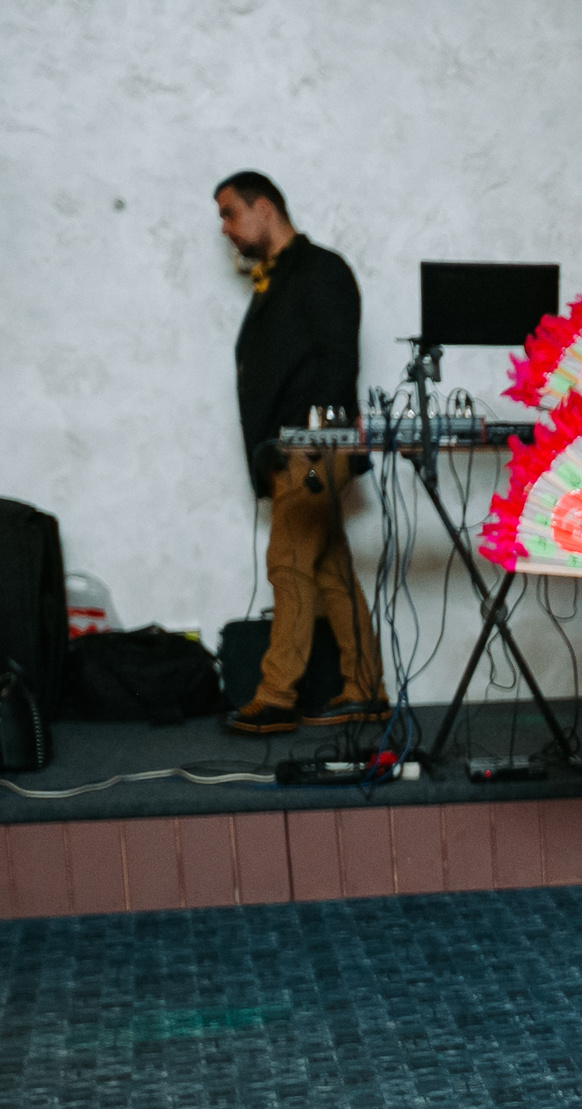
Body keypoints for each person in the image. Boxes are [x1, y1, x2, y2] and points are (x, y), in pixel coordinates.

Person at [215, 171, 385, 736]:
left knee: (287, 562)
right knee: (330, 568)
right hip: (287, 450)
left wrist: (316, 444)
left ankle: (277, 695)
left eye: (230, 213)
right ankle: (365, 691)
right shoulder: (278, 280)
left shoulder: (322, 270)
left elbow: (339, 359)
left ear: (264, 207)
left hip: (313, 446)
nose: (227, 229)